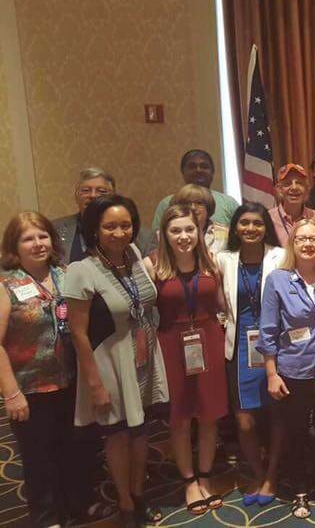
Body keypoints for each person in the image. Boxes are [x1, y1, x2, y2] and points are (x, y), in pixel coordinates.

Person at [0, 212, 113, 527]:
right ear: (14, 246)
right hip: (31, 388)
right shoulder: (6, 283)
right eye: (28, 238)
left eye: (42, 236)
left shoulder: (66, 274)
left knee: (78, 447)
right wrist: (11, 394)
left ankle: (80, 503)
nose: (37, 244)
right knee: (40, 457)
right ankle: (47, 515)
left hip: (73, 380)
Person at [64, 195, 169, 527]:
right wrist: (94, 383)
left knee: (140, 432)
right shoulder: (81, 270)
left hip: (142, 358)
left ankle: (138, 494)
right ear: (95, 229)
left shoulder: (135, 256)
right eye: (110, 226)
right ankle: (124, 501)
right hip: (109, 363)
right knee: (118, 436)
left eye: (126, 225)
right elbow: (78, 333)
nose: (119, 233)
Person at [148, 205, 227, 515]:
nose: (183, 236)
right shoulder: (153, 266)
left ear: (199, 232)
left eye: (189, 229)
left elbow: (222, 303)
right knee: (179, 417)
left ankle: (206, 476)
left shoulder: (212, 263)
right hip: (170, 344)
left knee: (209, 414)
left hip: (208, 340)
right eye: (176, 230)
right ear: (164, 235)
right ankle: (189, 480)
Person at [259, 218, 315, 518]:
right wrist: (271, 374)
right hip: (292, 371)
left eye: (314, 238)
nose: (308, 244)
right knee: (296, 433)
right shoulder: (278, 279)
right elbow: (267, 330)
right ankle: (300, 490)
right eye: (301, 238)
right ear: (292, 244)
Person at [216, 203, 285, 506]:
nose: (251, 229)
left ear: (265, 227)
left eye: (257, 223)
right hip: (239, 346)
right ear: (235, 228)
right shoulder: (224, 260)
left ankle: (272, 474)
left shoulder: (279, 256)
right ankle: (256, 472)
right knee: (245, 420)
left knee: (276, 415)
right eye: (244, 223)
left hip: (275, 345)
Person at [53, 167, 156, 260]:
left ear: (113, 196)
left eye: (101, 191)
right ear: (76, 196)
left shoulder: (144, 238)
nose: (93, 196)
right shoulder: (55, 230)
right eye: (85, 190)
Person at [152, 149, 239, 231]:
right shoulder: (167, 203)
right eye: (192, 167)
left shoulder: (228, 203)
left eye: (204, 166)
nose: (198, 170)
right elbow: (157, 240)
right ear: (183, 172)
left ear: (212, 172)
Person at [268, 163, 315, 246]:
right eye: (288, 183)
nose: (294, 187)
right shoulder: (269, 218)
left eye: (299, 183)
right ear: (279, 189)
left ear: (307, 189)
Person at [170, 184, 230, 255]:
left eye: (199, 203)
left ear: (208, 207)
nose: (193, 207)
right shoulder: (169, 233)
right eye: (187, 203)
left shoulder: (226, 233)